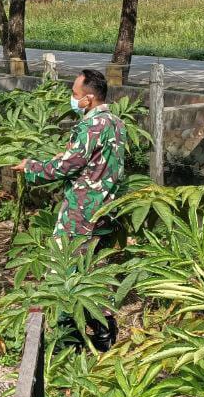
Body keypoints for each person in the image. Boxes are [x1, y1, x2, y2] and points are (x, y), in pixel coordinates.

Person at [12, 68, 127, 349]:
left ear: (88, 99)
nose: (72, 99)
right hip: (106, 208)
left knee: (64, 271)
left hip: (83, 210)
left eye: (75, 95)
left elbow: (68, 166)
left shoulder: (92, 126)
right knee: (94, 271)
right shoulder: (116, 122)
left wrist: (31, 168)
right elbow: (93, 161)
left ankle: (68, 339)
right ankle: (103, 333)